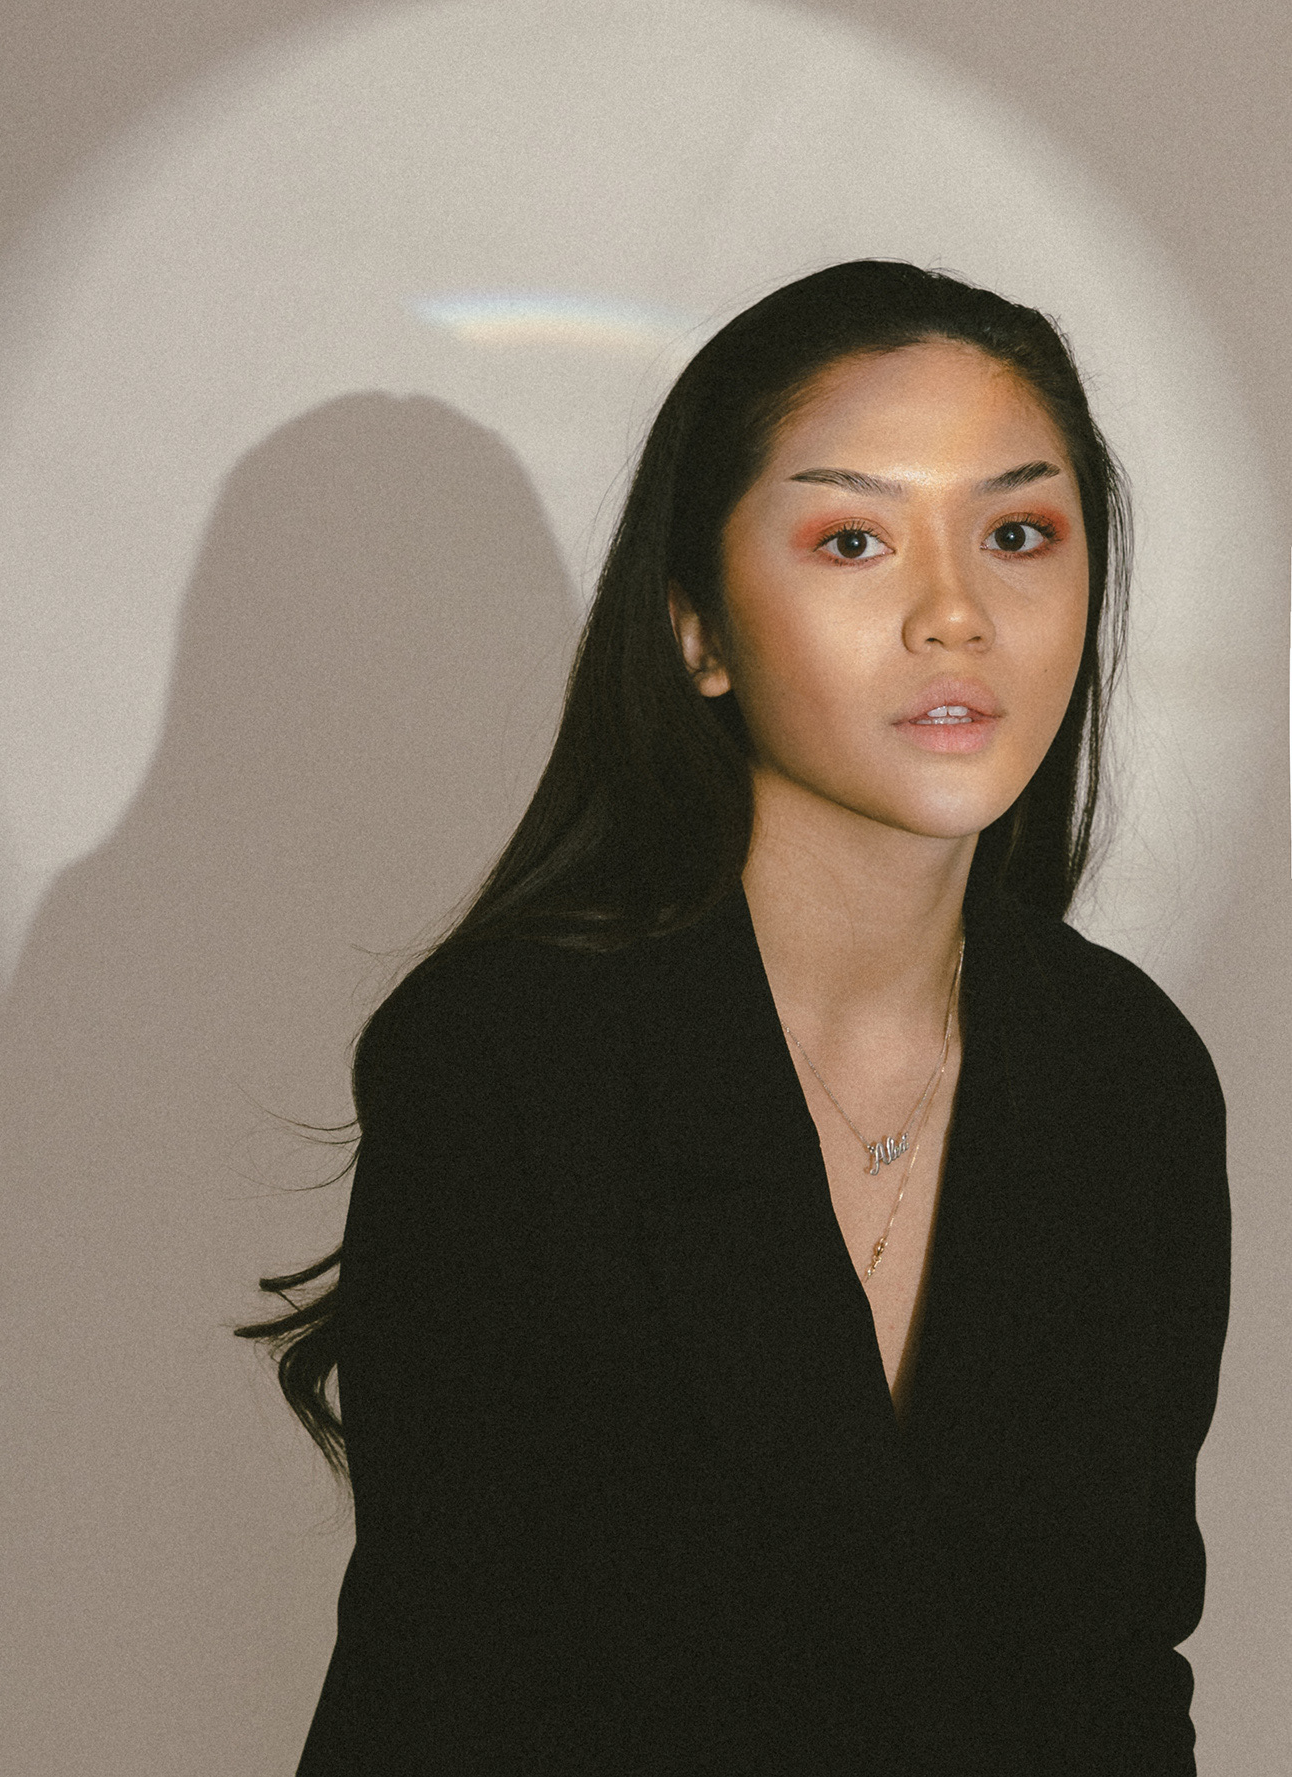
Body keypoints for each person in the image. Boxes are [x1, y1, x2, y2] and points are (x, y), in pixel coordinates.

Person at [238, 260, 1230, 1775]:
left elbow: (1121, 1675)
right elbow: (451, 1685)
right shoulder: (511, 1059)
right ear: (695, 628)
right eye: (853, 540)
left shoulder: (1125, 1076)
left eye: (1018, 533)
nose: (956, 615)